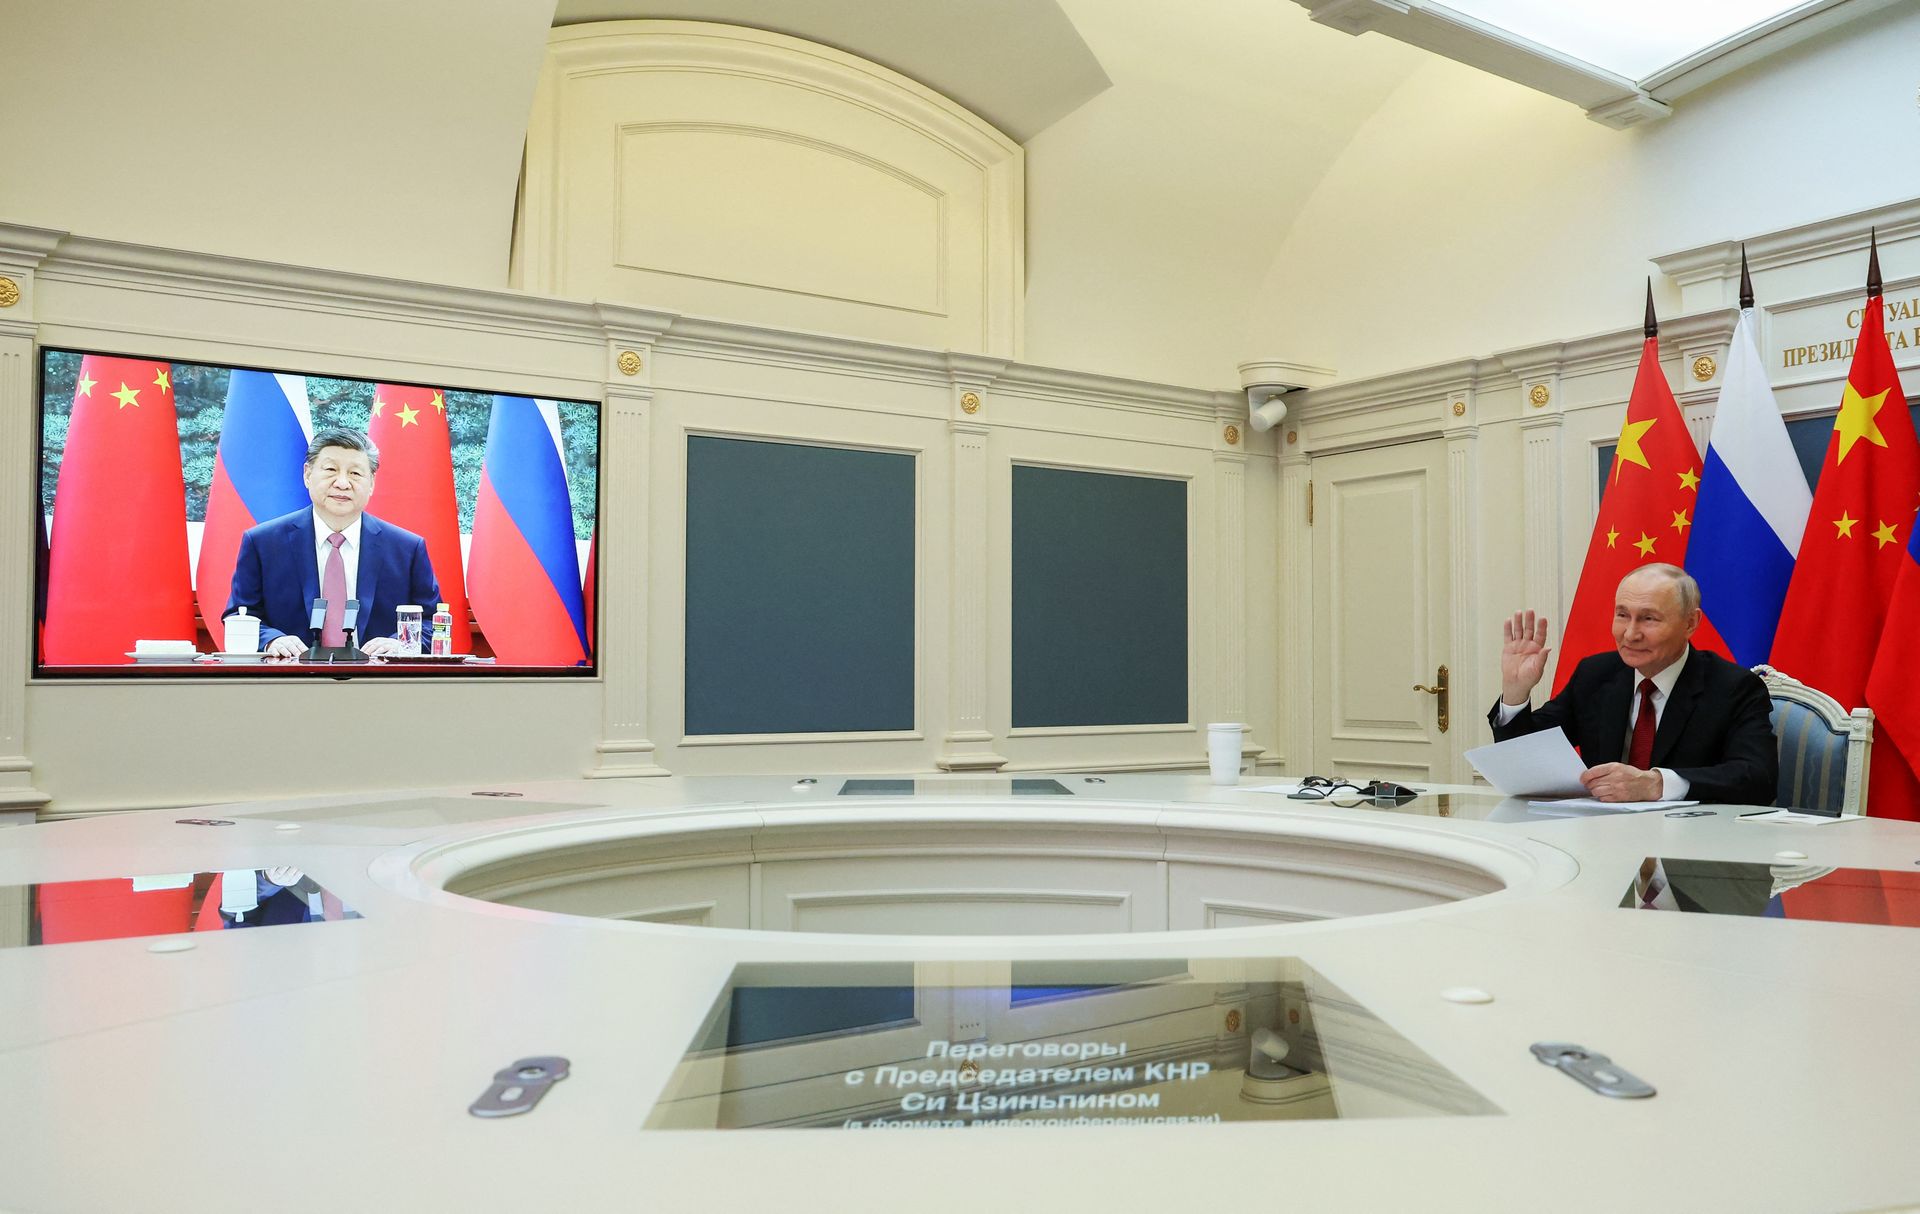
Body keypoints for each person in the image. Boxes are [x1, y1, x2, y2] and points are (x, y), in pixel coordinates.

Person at [1490, 563, 1777, 805]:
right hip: (1601, 845)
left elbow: (1757, 778)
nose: (1630, 634)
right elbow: (1526, 759)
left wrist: (1656, 784)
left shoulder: (1733, 687)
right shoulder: (1596, 674)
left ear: (1691, 623)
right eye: (1622, 615)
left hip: (1689, 851)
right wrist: (1516, 692)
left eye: (1649, 619)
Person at [224, 427, 439, 658]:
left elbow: (433, 622)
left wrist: (401, 643)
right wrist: (272, 640)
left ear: (372, 483)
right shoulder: (263, 543)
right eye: (330, 470)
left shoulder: (406, 548)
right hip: (289, 681)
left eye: (355, 473)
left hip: (377, 682)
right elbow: (239, 614)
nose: (343, 483)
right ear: (307, 474)